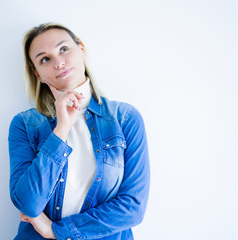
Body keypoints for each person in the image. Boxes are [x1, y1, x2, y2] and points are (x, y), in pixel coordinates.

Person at [8, 22, 150, 240]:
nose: (58, 62)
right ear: (37, 74)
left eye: (63, 49)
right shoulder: (25, 124)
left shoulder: (125, 118)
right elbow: (28, 202)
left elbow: (133, 207)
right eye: (45, 59)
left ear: (81, 48)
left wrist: (55, 231)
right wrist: (62, 129)